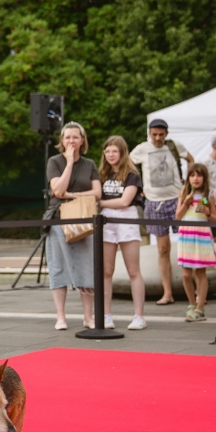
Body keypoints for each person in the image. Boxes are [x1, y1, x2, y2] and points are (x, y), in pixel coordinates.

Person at [129, 118, 194, 306]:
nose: (157, 138)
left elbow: (190, 159)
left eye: (161, 134)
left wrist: (188, 186)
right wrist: (138, 186)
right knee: (162, 248)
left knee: (188, 243)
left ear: (166, 134)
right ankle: (168, 292)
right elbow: (128, 165)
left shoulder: (174, 146)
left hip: (177, 199)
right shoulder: (141, 149)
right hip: (154, 202)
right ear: (149, 133)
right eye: (154, 134)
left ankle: (192, 289)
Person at [45, 122, 101, 330]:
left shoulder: (89, 164)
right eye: (67, 137)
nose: (71, 141)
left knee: (87, 267)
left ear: (82, 140)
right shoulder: (55, 161)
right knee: (58, 267)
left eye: (75, 137)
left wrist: (73, 195)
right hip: (59, 220)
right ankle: (61, 316)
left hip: (84, 219)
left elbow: (97, 193)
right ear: (62, 141)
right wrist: (68, 163)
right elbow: (58, 191)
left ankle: (88, 316)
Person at [98, 136, 146, 330]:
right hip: (106, 220)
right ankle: (106, 314)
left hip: (127, 218)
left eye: (114, 151)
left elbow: (125, 201)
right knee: (106, 271)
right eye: (107, 151)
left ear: (122, 152)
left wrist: (100, 203)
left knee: (133, 270)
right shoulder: (101, 174)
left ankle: (139, 316)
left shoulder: (132, 174)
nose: (110, 155)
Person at [175, 163, 216, 323]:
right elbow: (177, 217)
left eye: (199, 175)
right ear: (188, 178)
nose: (196, 179)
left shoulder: (209, 195)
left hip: (201, 236)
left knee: (200, 273)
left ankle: (200, 307)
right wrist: (186, 202)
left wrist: (207, 213)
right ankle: (191, 304)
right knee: (186, 274)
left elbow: (214, 219)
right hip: (186, 235)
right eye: (192, 175)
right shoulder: (183, 193)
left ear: (204, 178)